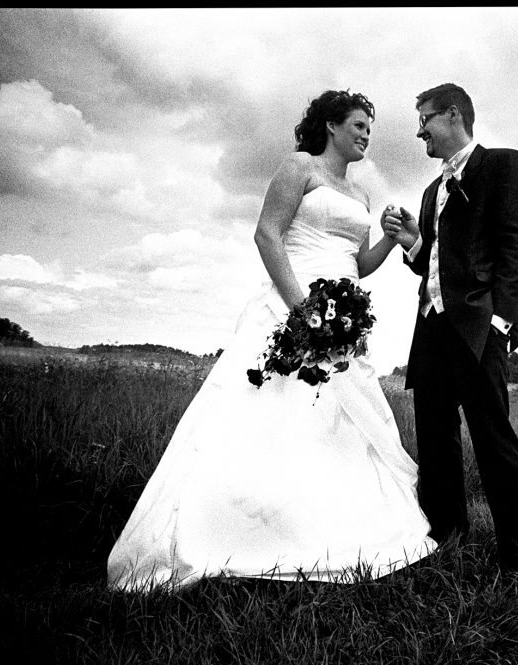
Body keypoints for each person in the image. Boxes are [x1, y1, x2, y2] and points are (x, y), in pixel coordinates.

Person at [107, 90, 436, 591]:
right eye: (358, 125)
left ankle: (330, 523)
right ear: (331, 126)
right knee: (275, 411)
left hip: (341, 321)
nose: (366, 135)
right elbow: (267, 235)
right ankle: (248, 529)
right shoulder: (298, 168)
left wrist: (391, 237)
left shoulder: (362, 195)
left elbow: (359, 265)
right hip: (291, 305)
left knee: (337, 423)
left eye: (370, 128)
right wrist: (302, 311)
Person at [381, 83, 518, 573]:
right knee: (434, 437)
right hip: (430, 329)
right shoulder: (431, 191)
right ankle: (448, 539)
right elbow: (435, 262)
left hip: (478, 327)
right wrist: (413, 242)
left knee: (492, 437)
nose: (419, 132)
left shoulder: (503, 165)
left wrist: (501, 319)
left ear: (453, 115)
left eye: (424, 120)